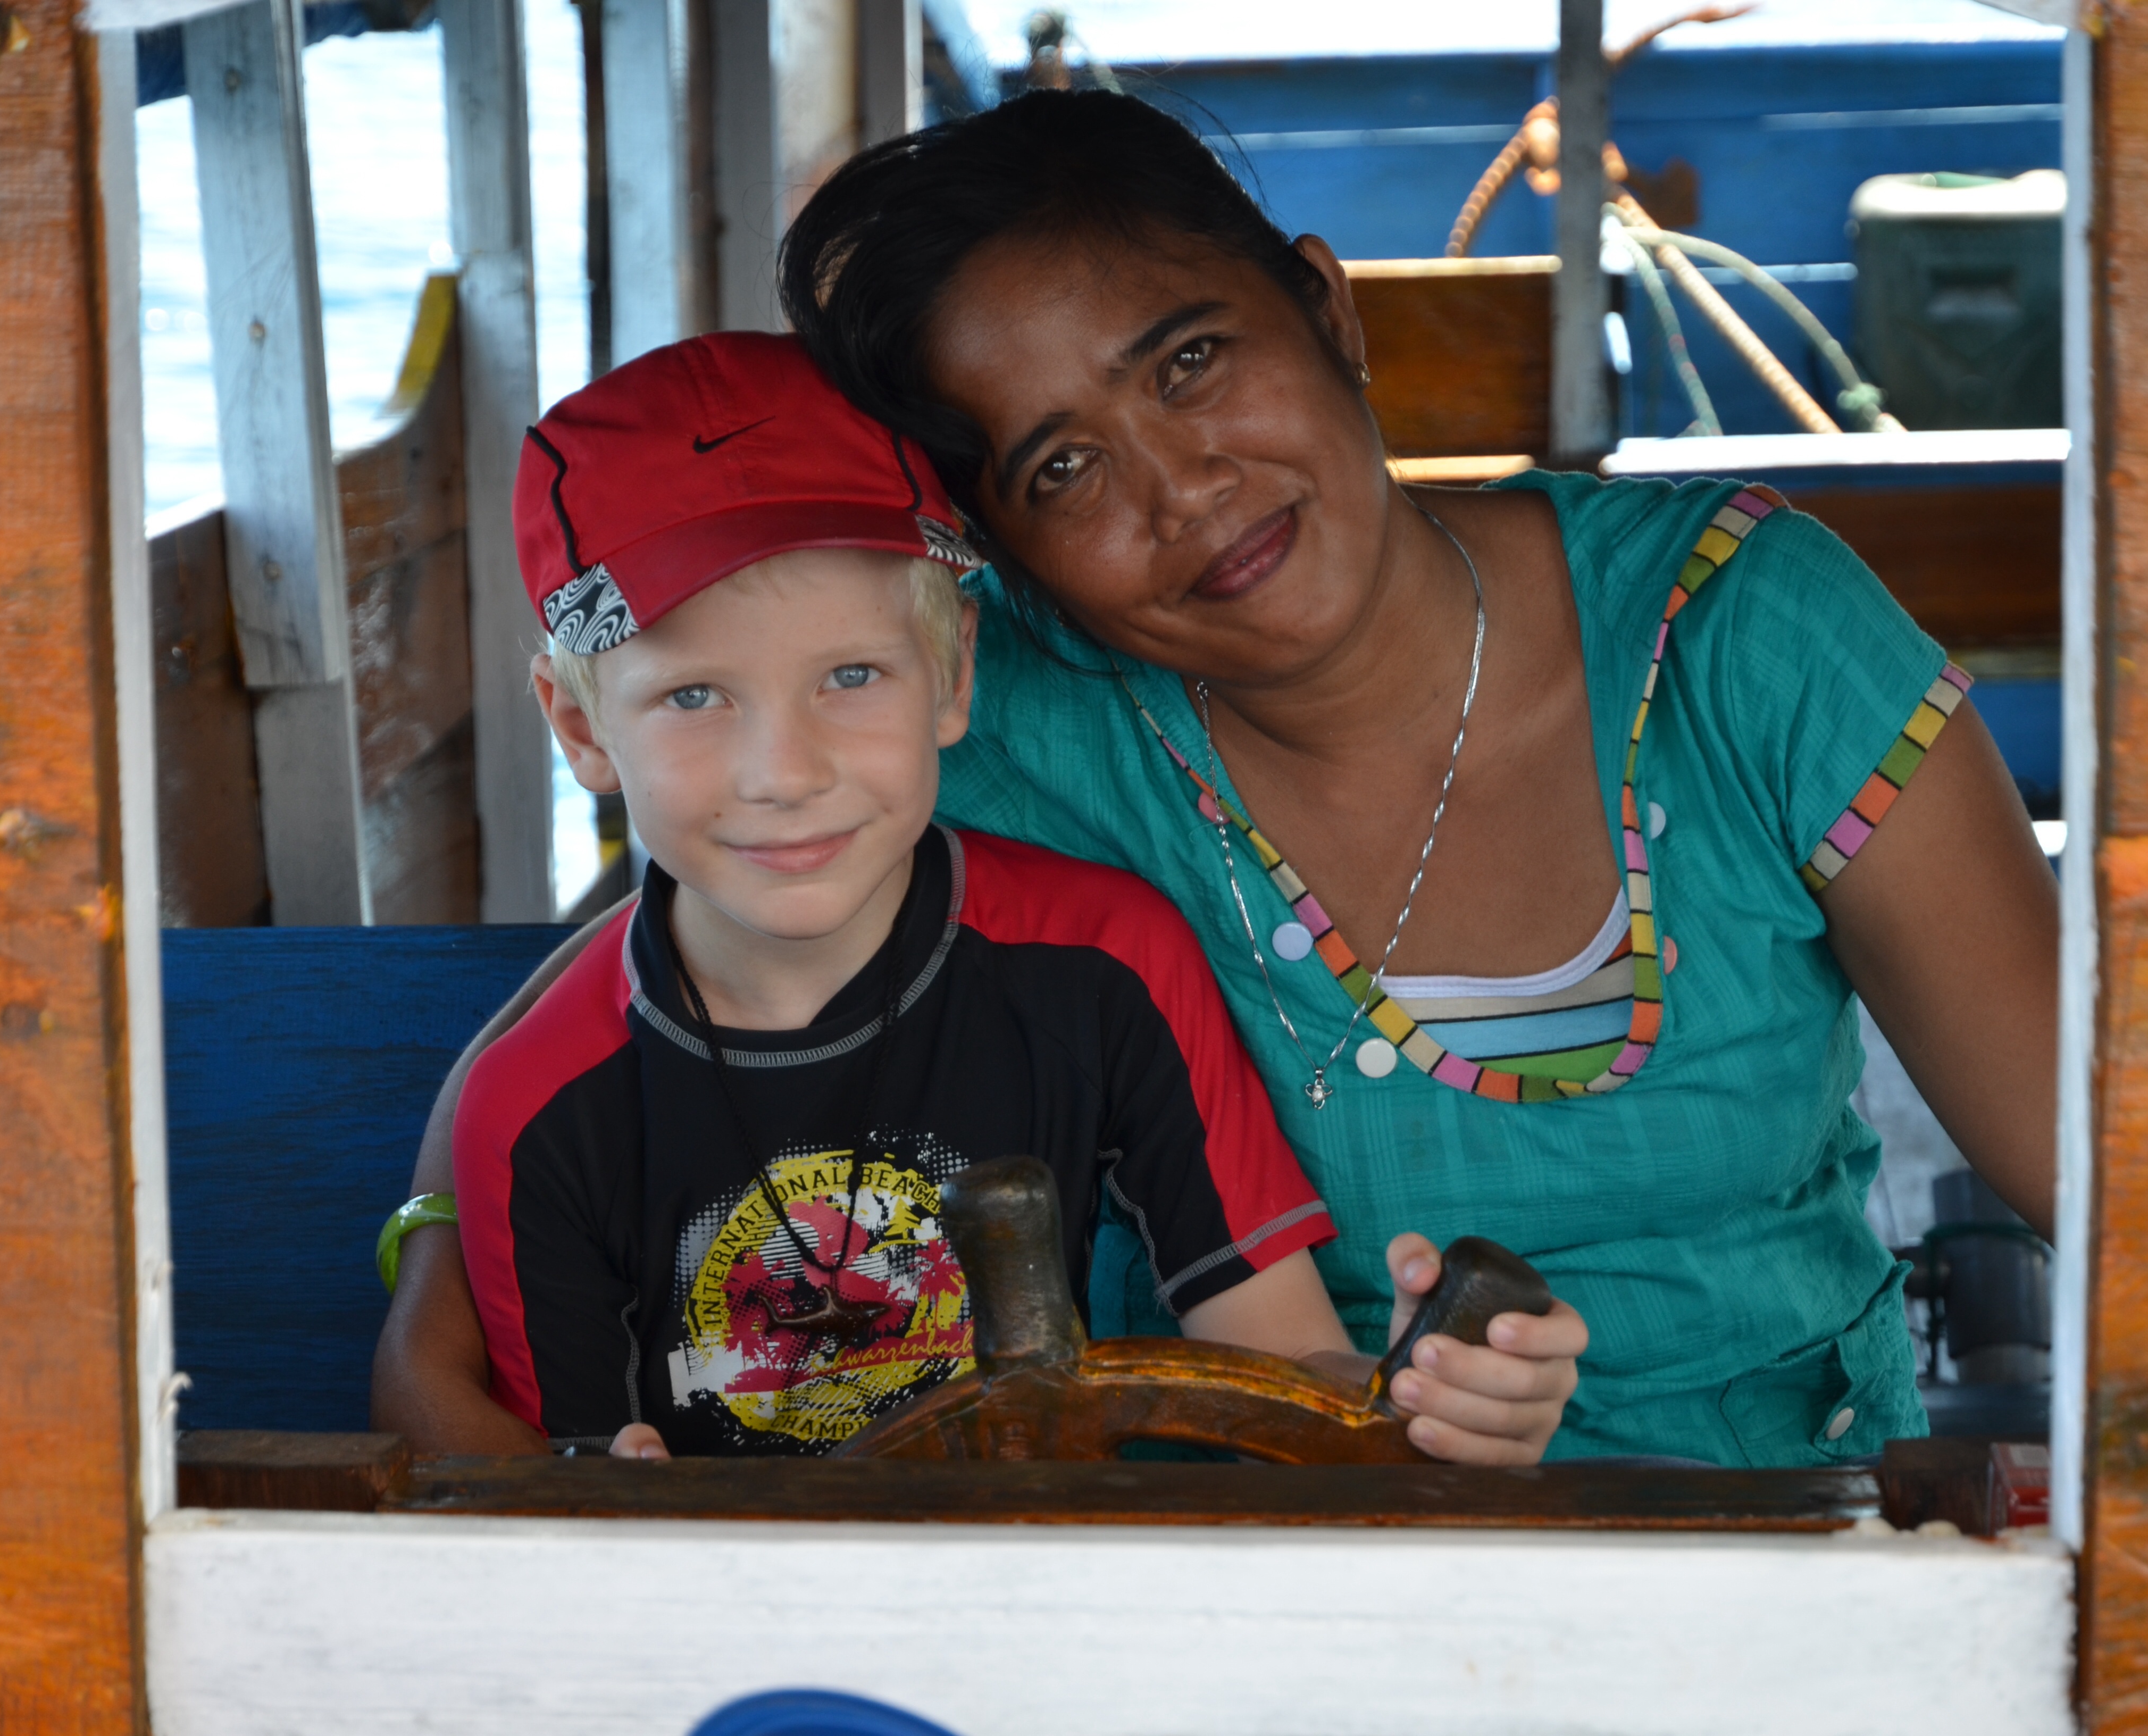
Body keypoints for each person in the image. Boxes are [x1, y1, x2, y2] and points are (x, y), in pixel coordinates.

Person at [380, 89, 2054, 1467]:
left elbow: (2098, 1183)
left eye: (1188, 362)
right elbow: (642, 967)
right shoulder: (989, 727)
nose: (1178, 488)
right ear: (1004, 563)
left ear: (1327, 311)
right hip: (1240, 1575)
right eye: (1061, 468)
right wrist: (438, 1294)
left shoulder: (1745, 637)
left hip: (1785, 1538)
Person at [412, 330, 1578, 1461]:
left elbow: (1279, 1367)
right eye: (693, 697)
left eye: (852, 675)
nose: (785, 774)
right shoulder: (535, 1110)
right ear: (581, 729)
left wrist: (1437, 1412)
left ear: (953, 673)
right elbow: (565, 1500)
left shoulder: (1104, 965)